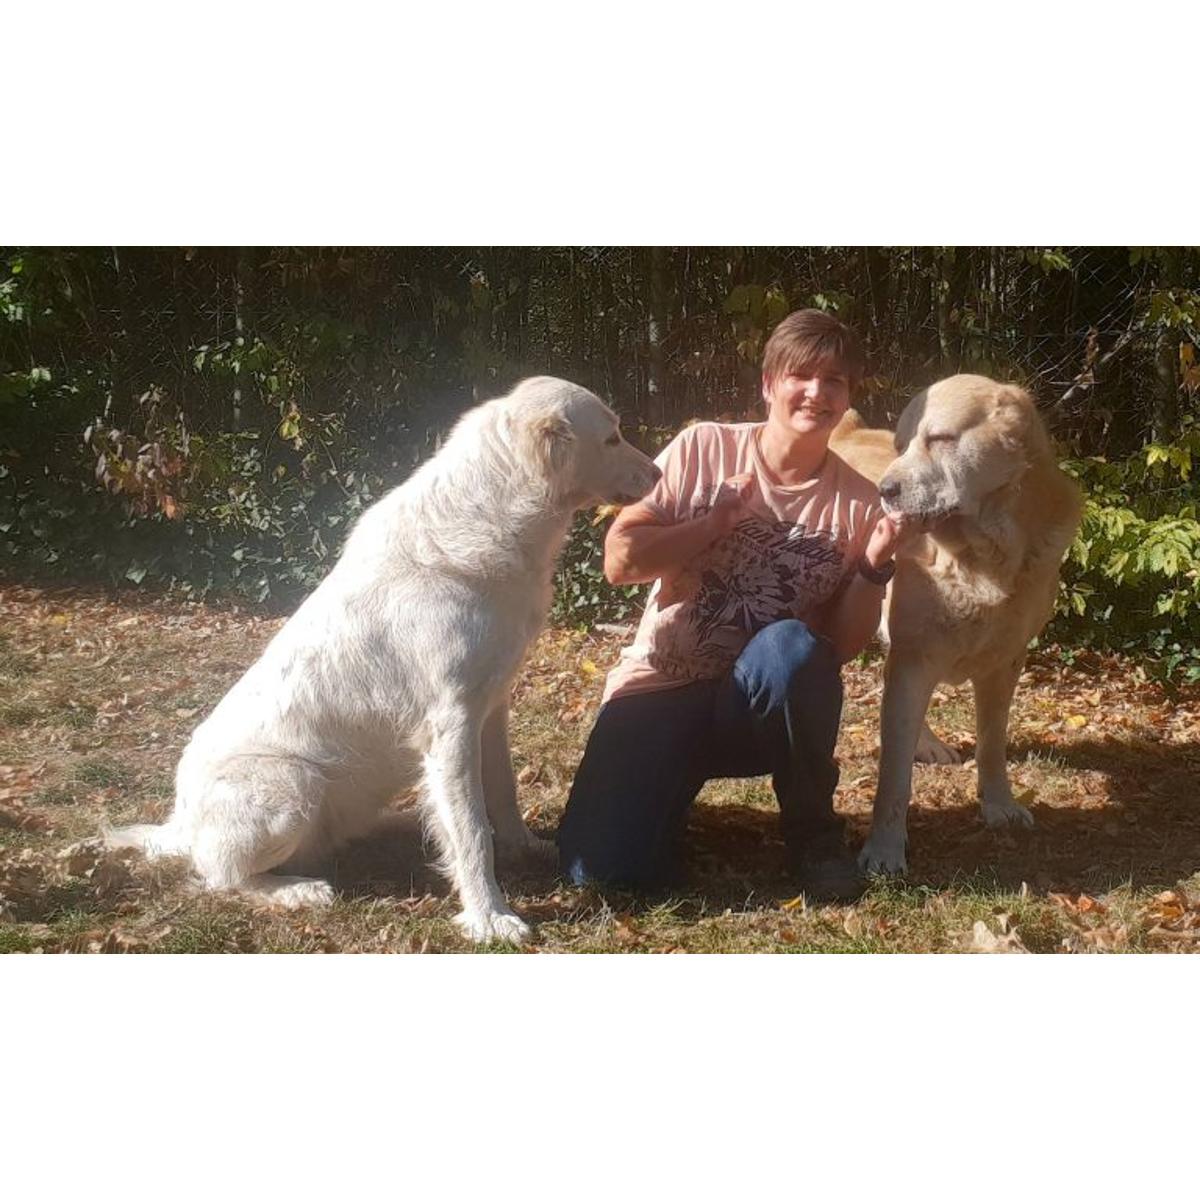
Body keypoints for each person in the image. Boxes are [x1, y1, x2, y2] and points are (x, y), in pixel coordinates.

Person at [556, 308, 901, 900]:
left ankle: (814, 834)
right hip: (660, 688)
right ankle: (663, 789)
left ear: (848, 397)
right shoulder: (702, 448)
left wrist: (873, 566)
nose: (816, 392)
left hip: (754, 708)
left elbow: (836, 652)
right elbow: (621, 561)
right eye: (801, 375)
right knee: (603, 872)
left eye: (835, 381)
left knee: (792, 647)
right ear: (769, 384)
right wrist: (713, 523)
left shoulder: (859, 503)